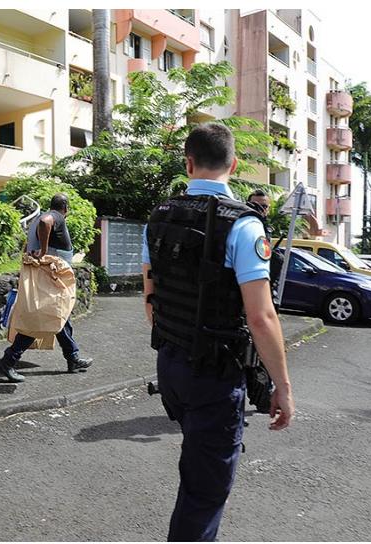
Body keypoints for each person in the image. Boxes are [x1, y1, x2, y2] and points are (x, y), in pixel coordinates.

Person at [142, 123, 294, 541]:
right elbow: (261, 317)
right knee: (205, 490)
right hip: (213, 371)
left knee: (197, 465)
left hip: (170, 363)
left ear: (187, 163)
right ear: (234, 164)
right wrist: (282, 386)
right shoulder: (245, 226)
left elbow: (150, 299)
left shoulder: (158, 218)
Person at [0, 193, 93, 383]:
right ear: (65, 207)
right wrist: (45, 252)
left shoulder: (37, 221)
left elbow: (30, 243)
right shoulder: (54, 216)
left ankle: (72, 358)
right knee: (39, 320)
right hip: (50, 277)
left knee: (59, 317)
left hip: (45, 275)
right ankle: (8, 362)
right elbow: (45, 222)